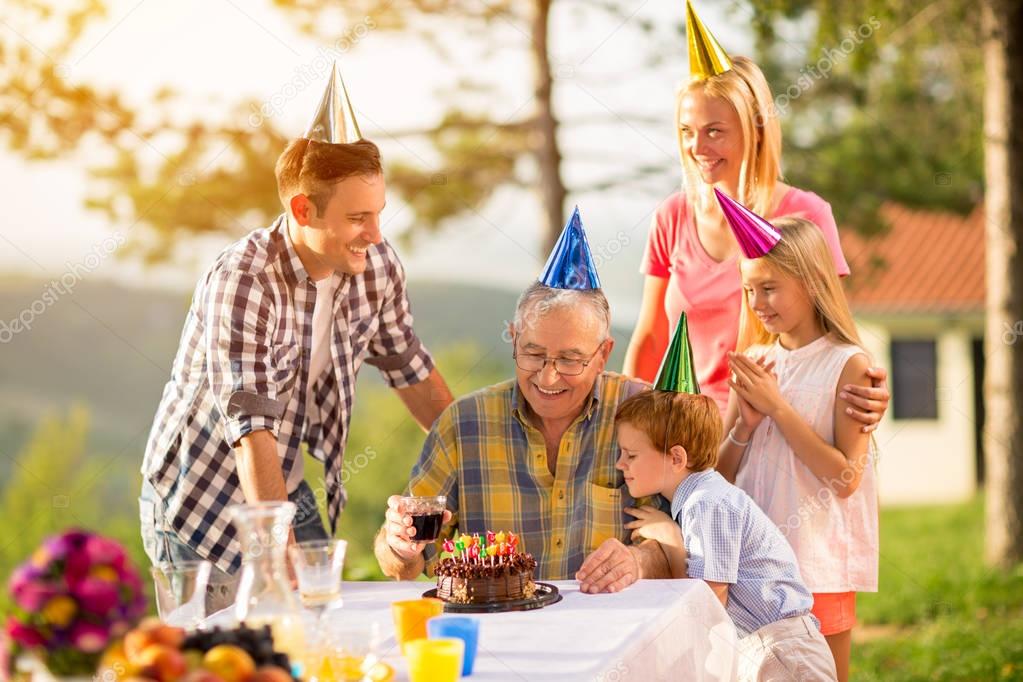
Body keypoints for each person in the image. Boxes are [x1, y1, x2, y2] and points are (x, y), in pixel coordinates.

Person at [140, 64, 453, 608]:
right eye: (359, 218)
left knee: (316, 627)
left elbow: (410, 368)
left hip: (282, 485)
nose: (376, 234)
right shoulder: (243, 279)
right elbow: (251, 430)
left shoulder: (375, 265)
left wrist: (475, 456)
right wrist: (274, 558)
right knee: (230, 656)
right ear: (302, 209)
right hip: (199, 502)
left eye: (379, 214)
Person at [622, 1, 889, 429]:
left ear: (755, 129)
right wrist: (630, 430)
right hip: (688, 440)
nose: (697, 147)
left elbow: (835, 333)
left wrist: (868, 387)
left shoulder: (805, 214)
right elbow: (650, 337)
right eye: (687, 132)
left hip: (776, 430)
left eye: (715, 131)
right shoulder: (672, 217)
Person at [374, 209, 670, 592]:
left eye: (569, 359)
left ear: (603, 354)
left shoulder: (643, 411)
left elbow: (687, 543)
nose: (548, 377)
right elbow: (401, 564)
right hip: (498, 632)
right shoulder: (464, 424)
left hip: (618, 631)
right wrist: (400, 546)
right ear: (513, 339)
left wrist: (639, 560)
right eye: (532, 354)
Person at [716, 208, 878, 682]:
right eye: (749, 290)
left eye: (769, 288)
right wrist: (744, 426)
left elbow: (846, 478)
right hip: (753, 566)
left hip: (818, 565)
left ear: (810, 282)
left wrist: (779, 408)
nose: (757, 302)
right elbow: (721, 478)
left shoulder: (848, 364)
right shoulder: (753, 360)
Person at [616, 389, 837, 681]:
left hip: (782, 655)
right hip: (767, 649)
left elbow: (710, 603)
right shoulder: (701, 498)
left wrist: (670, 538)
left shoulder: (706, 503)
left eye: (631, 454)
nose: (621, 464)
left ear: (676, 457)